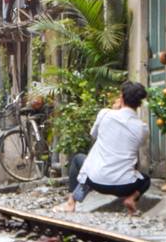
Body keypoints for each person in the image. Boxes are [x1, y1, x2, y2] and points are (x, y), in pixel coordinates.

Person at [64, 81, 150, 214]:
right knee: (146, 180)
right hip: (125, 186)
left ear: (121, 97)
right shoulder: (142, 128)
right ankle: (131, 199)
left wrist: (113, 111)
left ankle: (71, 201)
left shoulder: (105, 114)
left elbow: (94, 135)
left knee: (80, 161)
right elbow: (137, 145)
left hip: (95, 182)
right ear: (139, 103)